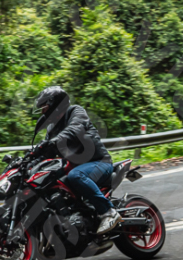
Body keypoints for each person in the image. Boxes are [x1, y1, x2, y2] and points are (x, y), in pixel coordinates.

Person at [33, 86, 122, 235]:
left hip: (99, 162)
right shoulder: (52, 128)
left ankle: (109, 212)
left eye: (44, 107)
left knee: (76, 175)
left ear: (56, 105)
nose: (42, 112)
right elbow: (48, 152)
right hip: (74, 166)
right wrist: (31, 158)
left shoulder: (75, 112)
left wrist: (55, 141)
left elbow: (75, 129)